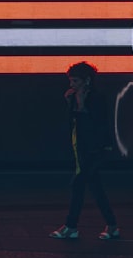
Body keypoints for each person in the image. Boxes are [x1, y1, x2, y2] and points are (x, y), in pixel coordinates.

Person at [49, 61, 120, 240]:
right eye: (71, 81)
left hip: (94, 149)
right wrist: (72, 104)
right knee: (95, 188)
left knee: (79, 185)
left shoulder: (97, 98)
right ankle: (111, 225)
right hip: (81, 148)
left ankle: (71, 226)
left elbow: (97, 123)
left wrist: (80, 105)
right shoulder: (75, 97)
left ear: (86, 81)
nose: (72, 85)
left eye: (75, 81)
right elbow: (72, 122)